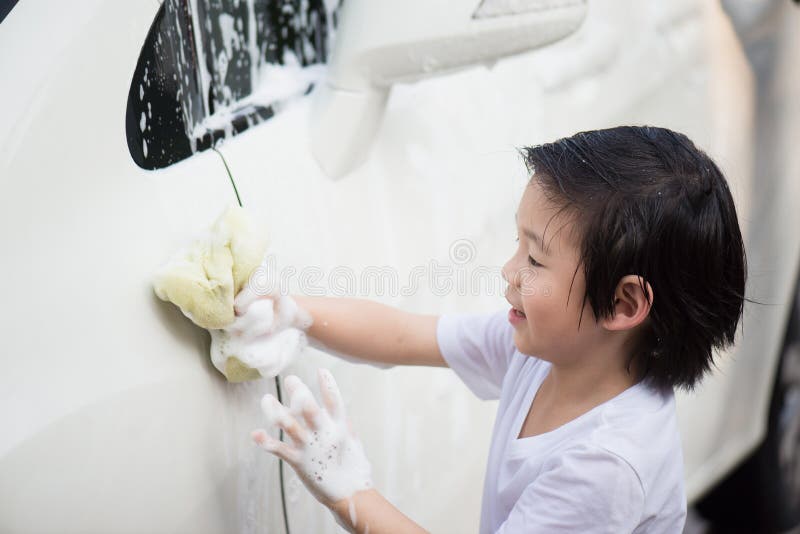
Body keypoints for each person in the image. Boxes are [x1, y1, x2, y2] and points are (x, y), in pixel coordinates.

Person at [248, 125, 747, 533]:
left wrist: (349, 490)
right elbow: (405, 334)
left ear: (622, 303)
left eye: (534, 258)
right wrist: (291, 311)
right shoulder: (549, 352)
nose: (509, 271)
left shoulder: (606, 466)